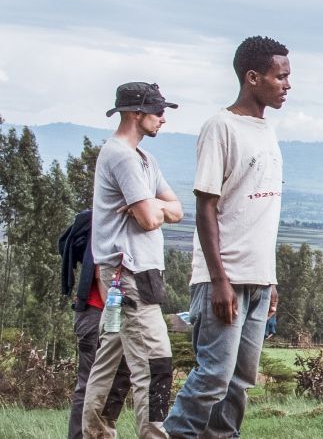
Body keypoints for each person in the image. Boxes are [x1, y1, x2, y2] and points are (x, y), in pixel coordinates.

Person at [165, 36, 290, 438]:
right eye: (280, 76)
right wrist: (219, 280)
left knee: (239, 383)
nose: (287, 85)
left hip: (257, 280)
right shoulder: (220, 127)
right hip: (223, 280)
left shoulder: (265, 130)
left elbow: (259, 214)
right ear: (253, 77)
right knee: (213, 378)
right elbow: (206, 207)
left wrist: (269, 279)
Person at [82, 82, 183, 438]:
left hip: (135, 274)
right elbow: (152, 220)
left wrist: (152, 204)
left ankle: (96, 432)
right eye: (158, 111)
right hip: (128, 274)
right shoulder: (122, 156)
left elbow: (177, 209)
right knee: (156, 364)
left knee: (112, 365)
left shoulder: (144, 159)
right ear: (135, 113)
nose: (163, 119)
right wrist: (156, 208)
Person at [58, 209, 132, 439]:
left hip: (111, 312)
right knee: (90, 383)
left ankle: (102, 433)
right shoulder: (108, 219)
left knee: (118, 381)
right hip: (96, 311)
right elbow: (101, 271)